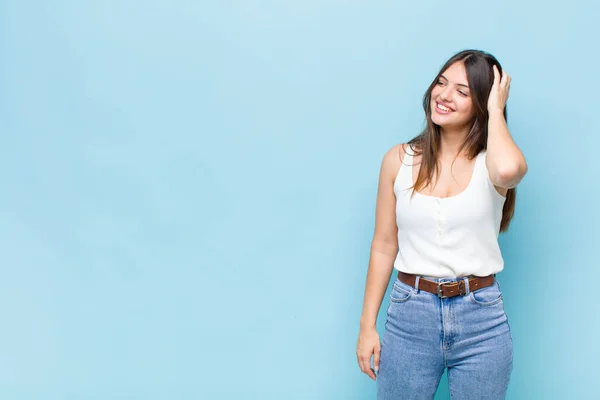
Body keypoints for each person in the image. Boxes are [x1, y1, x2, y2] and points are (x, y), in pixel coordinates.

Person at [355, 49, 528, 399]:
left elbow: (510, 171)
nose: (444, 95)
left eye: (463, 92)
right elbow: (384, 244)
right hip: (409, 314)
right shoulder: (398, 160)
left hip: (481, 318)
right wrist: (367, 326)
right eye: (441, 82)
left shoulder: (492, 165)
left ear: (481, 104)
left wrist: (497, 109)